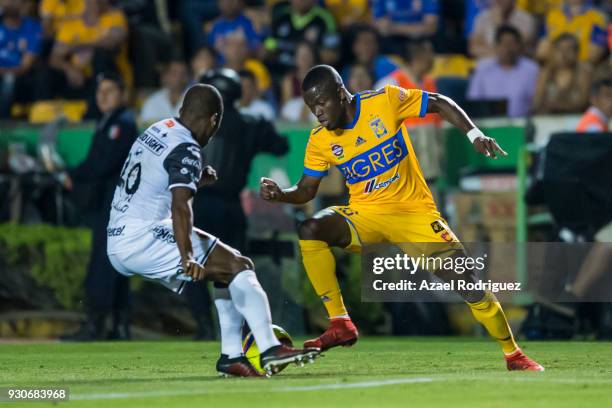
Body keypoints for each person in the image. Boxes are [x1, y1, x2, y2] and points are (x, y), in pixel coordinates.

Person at [259, 64, 544, 371]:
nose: (317, 112)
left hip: (414, 214)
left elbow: (438, 102)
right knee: (311, 227)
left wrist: (474, 134)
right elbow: (306, 190)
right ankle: (340, 322)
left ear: (341, 94)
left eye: (321, 103)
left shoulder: (384, 101)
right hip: (366, 215)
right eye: (311, 107)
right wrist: (282, 194)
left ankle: (513, 354)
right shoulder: (321, 139)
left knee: (468, 282)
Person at [106, 83, 316, 376]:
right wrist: (187, 254)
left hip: (118, 234)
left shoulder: (158, 129)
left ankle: (231, 357)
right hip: (142, 236)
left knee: (225, 271)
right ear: (214, 120)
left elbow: (151, 180)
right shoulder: (187, 147)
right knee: (239, 265)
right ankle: (269, 348)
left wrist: (194, 179)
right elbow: (181, 205)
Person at [60, 73, 137, 341]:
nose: (102, 96)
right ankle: (118, 325)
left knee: (103, 262)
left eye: (109, 91)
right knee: (114, 262)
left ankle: (96, 326)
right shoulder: (108, 122)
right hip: (111, 203)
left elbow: (103, 163)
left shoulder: (122, 125)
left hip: (113, 203)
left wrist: (73, 173)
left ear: (122, 95)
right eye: (99, 91)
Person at [46, 0, 131, 106]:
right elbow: (55, 57)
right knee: (46, 72)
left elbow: (112, 42)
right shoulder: (72, 24)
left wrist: (76, 46)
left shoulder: (115, 17)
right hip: (79, 78)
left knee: (101, 56)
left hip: (109, 77)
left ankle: (96, 110)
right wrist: (69, 69)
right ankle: (42, 112)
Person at [467, 25, 539, 118]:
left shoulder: (531, 69)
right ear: (496, 46)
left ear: (519, 46)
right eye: (504, 44)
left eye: (512, 43)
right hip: (488, 125)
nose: (508, 48)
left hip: (522, 123)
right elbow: (474, 102)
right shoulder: (482, 69)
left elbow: (537, 103)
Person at [265, 0, 336, 72]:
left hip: (309, 74)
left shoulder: (324, 19)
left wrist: (309, 52)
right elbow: (266, 46)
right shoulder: (281, 15)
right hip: (277, 71)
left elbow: (332, 56)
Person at [0, 0, 42, 117]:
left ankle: (3, 123)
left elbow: (25, 66)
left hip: (18, 77)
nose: (8, 3)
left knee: (9, 80)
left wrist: (3, 71)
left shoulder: (32, 27)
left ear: (23, 4)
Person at [533, 33, 592, 115]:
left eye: (569, 49)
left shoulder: (583, 73)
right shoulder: (546, 73)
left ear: (577, 53)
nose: (564, 54)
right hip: (547, 120)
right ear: (553, 51)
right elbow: (537, 102)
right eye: (560, 49)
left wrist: (555, 105)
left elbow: (583, 104)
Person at [536, 0, 608, 63]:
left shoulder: (597, 18)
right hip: (553, 64)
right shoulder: (552, 14)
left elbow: (595, 54)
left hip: (580, 67)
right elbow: (542, 51)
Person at [469, 0, 537, 59]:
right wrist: (501, 54)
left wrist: (499, 25)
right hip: (487, 66)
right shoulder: (481, 18)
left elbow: (520, 50)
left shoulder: (527, 20)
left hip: (515, 69)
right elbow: (474, 49)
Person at [371, 0, 439, 53]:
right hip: (391, 42)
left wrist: (393, 27)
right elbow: (381, 28)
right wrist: (416, 28)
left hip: (419, 41)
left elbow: (430, 28)